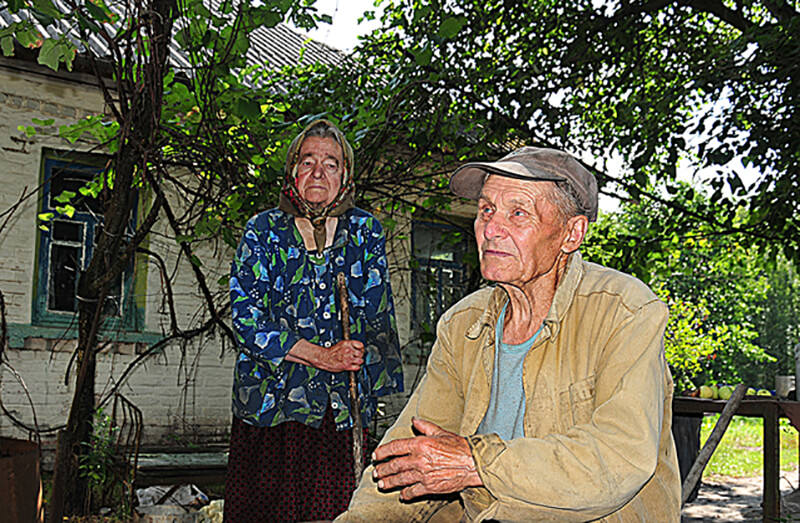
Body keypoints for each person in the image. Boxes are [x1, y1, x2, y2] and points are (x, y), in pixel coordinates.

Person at [336, 147, 681, 522]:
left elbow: (618, 457)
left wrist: (476, 464)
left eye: (518, 213)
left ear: (571, 233)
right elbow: (406, 459)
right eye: (486, 210)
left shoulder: (625, 311)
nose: (491, 229)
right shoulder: (462, 324)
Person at [225, 119, 404, 522]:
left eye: (331, 163)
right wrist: (321, 356)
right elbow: (246, 318)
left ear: (346, 175)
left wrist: (360, 355)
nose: (318, 173)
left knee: (334, 514)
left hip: (338, 412)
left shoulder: (365, 232)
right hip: (270, 410)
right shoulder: (263, 231)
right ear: (292, 171)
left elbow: (378, 318)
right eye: (307, 163)